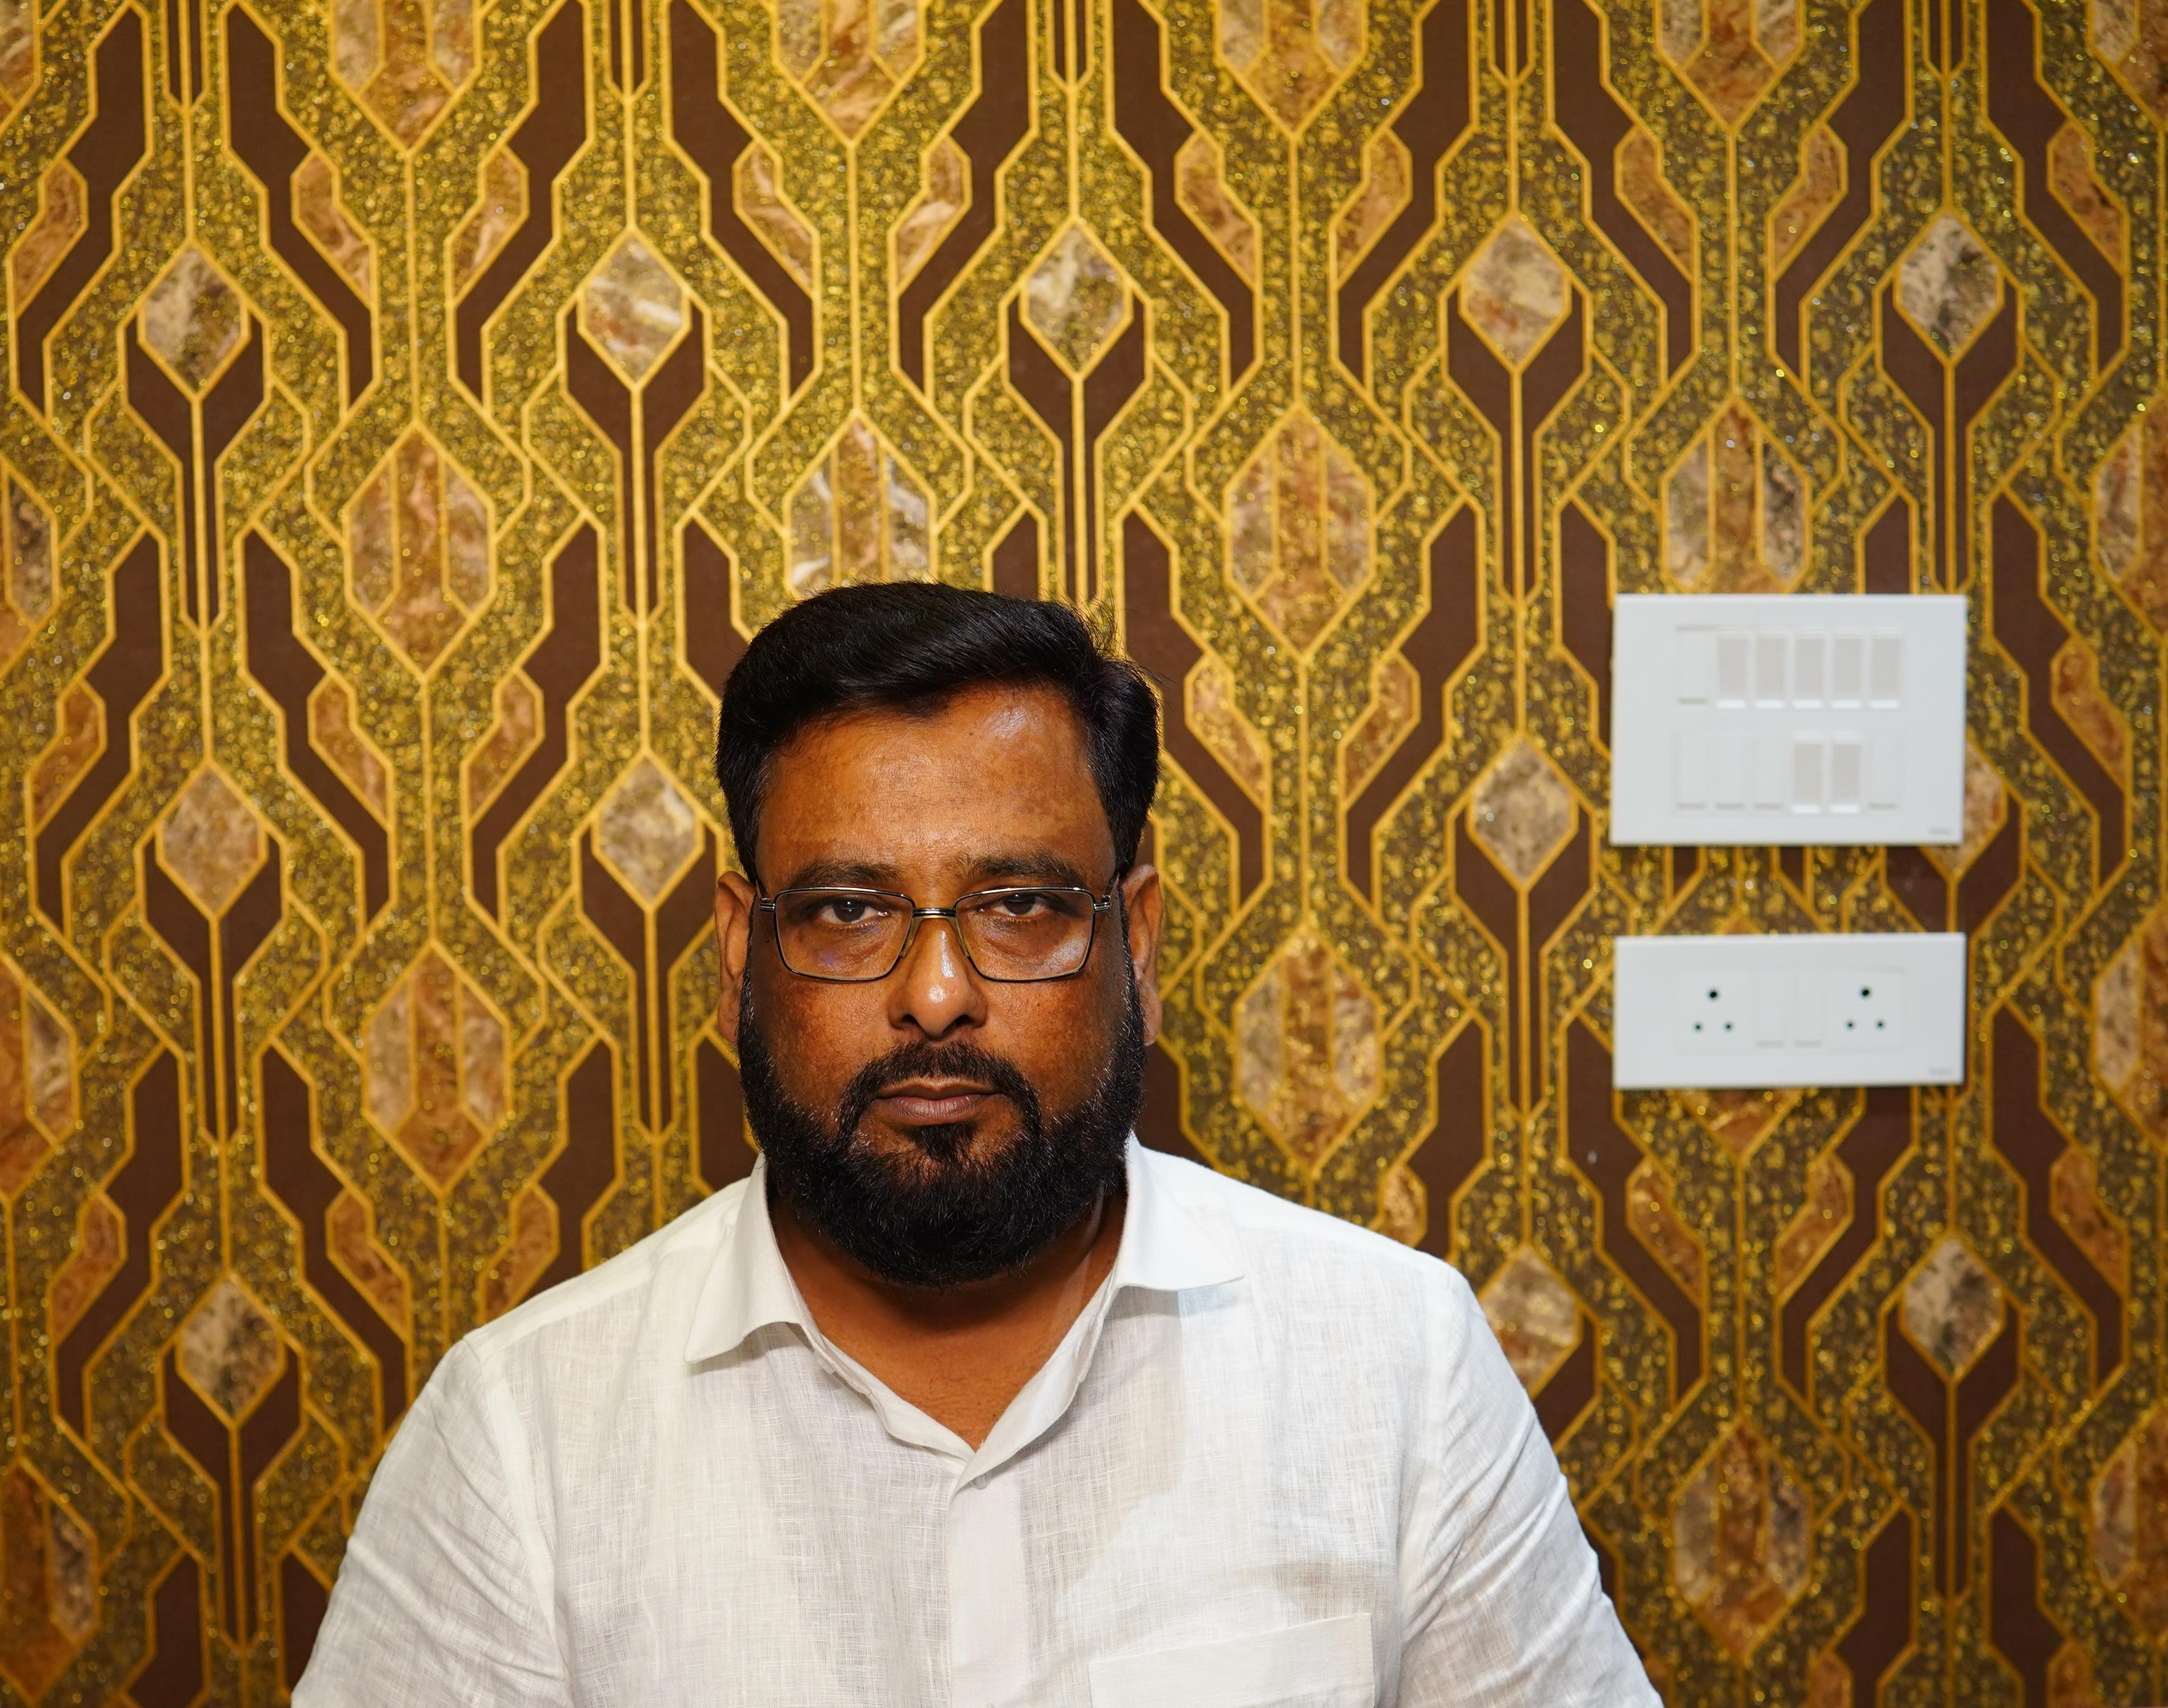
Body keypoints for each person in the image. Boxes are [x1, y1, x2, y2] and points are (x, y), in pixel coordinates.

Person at [296, 584, 1659, 1706]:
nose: (937, 994)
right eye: (848, 911)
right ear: (736, 954)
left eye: (1017, 905)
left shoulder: (1396, 1364)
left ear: (1137, 944)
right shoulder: (523, 1434)